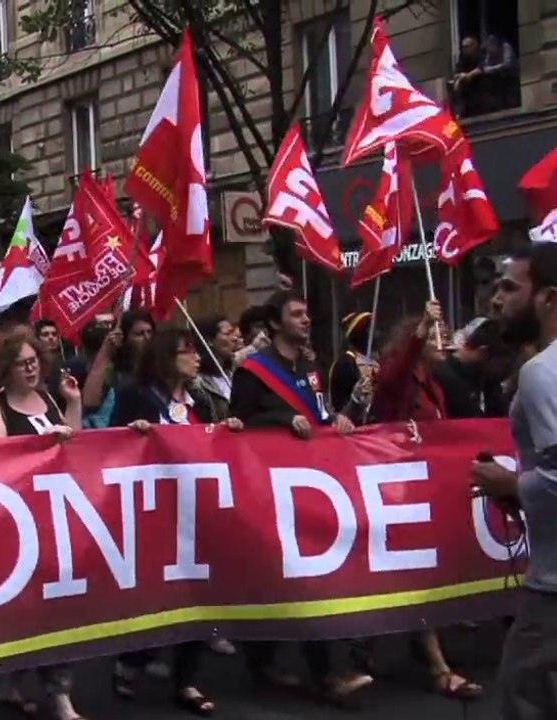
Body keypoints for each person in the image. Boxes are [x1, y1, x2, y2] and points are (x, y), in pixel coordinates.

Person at [229, 291, 368, 707]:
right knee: (286, 578)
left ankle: (317, 670)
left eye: (308, 312)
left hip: (311, 485)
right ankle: (292, 667)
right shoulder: (253, 371)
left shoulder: (310, 367)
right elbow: (239, 424)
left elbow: (319, 417)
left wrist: (341, 418)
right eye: (297, 314)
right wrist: (280, 420)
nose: (307, 319)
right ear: (274, 324)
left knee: (312, 577)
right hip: (270, 490)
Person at [110, 329, 238, 716]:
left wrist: (227, 432)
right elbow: (110, 443)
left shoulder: (198, 399)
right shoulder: (139, 396)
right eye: (187, 352)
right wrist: (134, 435)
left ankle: (187, 680)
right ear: (167, 358)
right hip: (155, 513)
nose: (197, 358)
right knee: (157, 596)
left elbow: (208, 444)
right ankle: (130, 659)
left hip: (194, 512)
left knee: (198, 597)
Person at [369, 302, 484, 701]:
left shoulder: (435, 383)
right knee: (414, 573)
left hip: (426, 487)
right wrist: (423, 327)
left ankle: (365, 650)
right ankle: (438, 667)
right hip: (398, 488)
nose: (445, 338)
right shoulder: (399, 378)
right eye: (439, 331)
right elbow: (397, 372)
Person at [0, 332, 84, 720]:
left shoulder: (50, 400)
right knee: (25, 611)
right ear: (7, 368)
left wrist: (73, 404)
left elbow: (75, 444)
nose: (32, 366)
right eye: (23, 362)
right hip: (18, 525)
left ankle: (60, 695)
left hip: (56, 519)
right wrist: (39, 448)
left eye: (34, 359)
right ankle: (12, 681)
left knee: (58, 608)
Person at [473, 243, 557, 718]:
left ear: (547, 298)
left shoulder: (541, 373)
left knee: (521, 698)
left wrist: (510, 485)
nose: (496, 299)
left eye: (509, 288)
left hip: (552, 592)